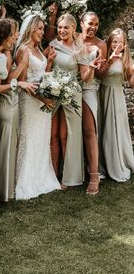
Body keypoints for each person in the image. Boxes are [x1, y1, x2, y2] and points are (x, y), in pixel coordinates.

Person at [47, 13, 102, 190]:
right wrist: (48, 63)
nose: (62, 30)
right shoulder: (53, 45)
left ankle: (70, 177)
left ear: (73, 29)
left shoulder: (80, 49)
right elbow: (45, 69)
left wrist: (92, 68)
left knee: (69, 135)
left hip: (73, 93)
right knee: (52, 134)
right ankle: (53, 175)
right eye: (60, 27)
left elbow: (85, 78)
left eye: (66, 28)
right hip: (54, 92)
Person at [15, 14, 61, 200]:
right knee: (29, 138)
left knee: (41, 139)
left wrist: (49, 62)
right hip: (30, 101)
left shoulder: (39, 51)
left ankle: (42, 178)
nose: (43, 32)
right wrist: (44, 99)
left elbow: (44, 75)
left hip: (43, 101)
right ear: (31, 29)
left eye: (43, 29)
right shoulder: (23, 50)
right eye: (40, 29)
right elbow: (22, 82)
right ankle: (26, 182)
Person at [0, 18, 36, 202]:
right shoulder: (6, 55)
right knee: (8, 145)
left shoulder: (8, 52)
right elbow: (7, 81)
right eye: (14, 32)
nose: (17, 36)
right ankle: (5, 190)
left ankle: (7, 187)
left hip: (10, 101)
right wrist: (22, 65)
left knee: (11, 144)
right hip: (7, 101)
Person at [76, 12, 107, 194]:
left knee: (89, 131)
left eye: (96, 24)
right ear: (81, 23)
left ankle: (94, 176)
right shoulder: (73, 39)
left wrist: (105, 63)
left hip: (89, 89)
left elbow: (101, 73)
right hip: (71, 87)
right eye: (90, 23)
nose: (93, 27)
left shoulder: (101, 44)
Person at [99, 28, 134, 181]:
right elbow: (98, 74)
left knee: (116, 129)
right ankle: (102, 164)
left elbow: (131, 83)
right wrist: (110, 60)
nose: (117, 45)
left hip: (117, 96)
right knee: (103, 129)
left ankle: (118, 162)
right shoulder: (105, 55)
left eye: (120, 42)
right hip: (103, 94)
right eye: (114, 41)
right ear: (110, 42)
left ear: (125, 43)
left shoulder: (127, 60)